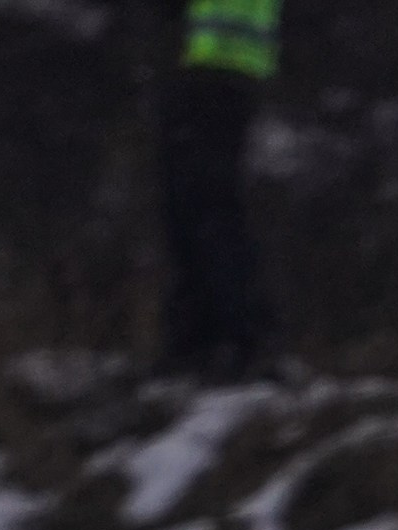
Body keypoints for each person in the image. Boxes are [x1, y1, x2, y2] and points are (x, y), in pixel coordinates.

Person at [160, 0, 283, 380]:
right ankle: (210, 339)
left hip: (215, 76)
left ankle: (228, 340)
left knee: (206, 217)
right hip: (225, 75)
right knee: (203, 215)